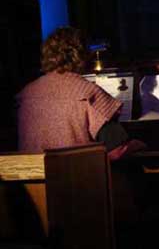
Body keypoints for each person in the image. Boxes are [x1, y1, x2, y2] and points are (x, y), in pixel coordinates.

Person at [16, 26, 140, 160]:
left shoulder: (25, 94)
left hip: (32, 173)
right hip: (74, 172)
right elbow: (116, 152)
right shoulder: (88, 92)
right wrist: (138, 145)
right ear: (82, 55)